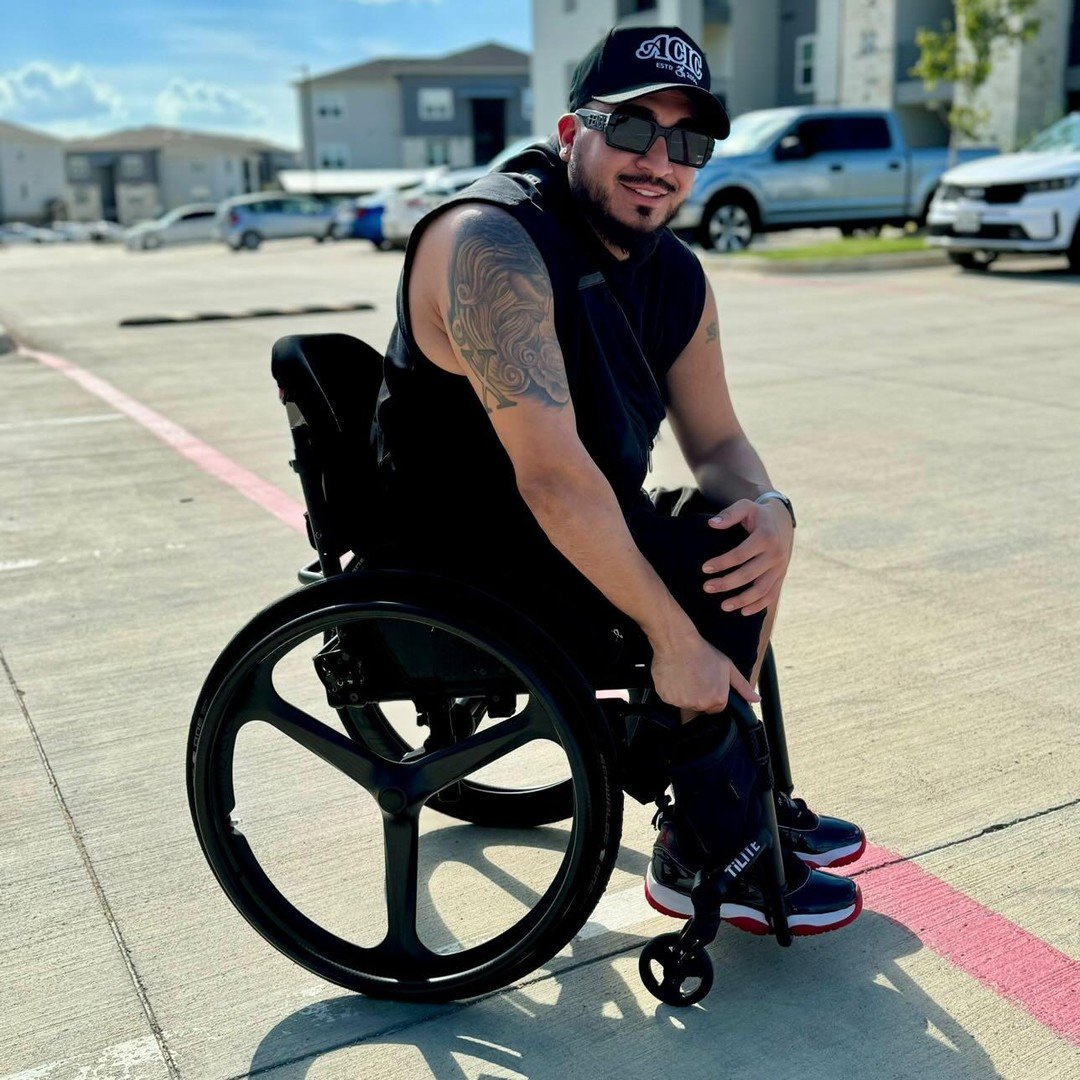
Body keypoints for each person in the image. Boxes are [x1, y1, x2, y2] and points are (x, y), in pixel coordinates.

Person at [372, 25, 864, 934]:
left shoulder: (674, 274)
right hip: (462, 552)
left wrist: (770, 510)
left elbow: (718, 443)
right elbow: (554, 482)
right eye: (633, 127)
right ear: (572, 130)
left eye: (686, 142)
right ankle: (707, 834)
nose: (659, 161)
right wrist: (672, 639)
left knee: (732, 536)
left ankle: (729, 782)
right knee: (687, 591)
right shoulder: (492, 244)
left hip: (561, 528)